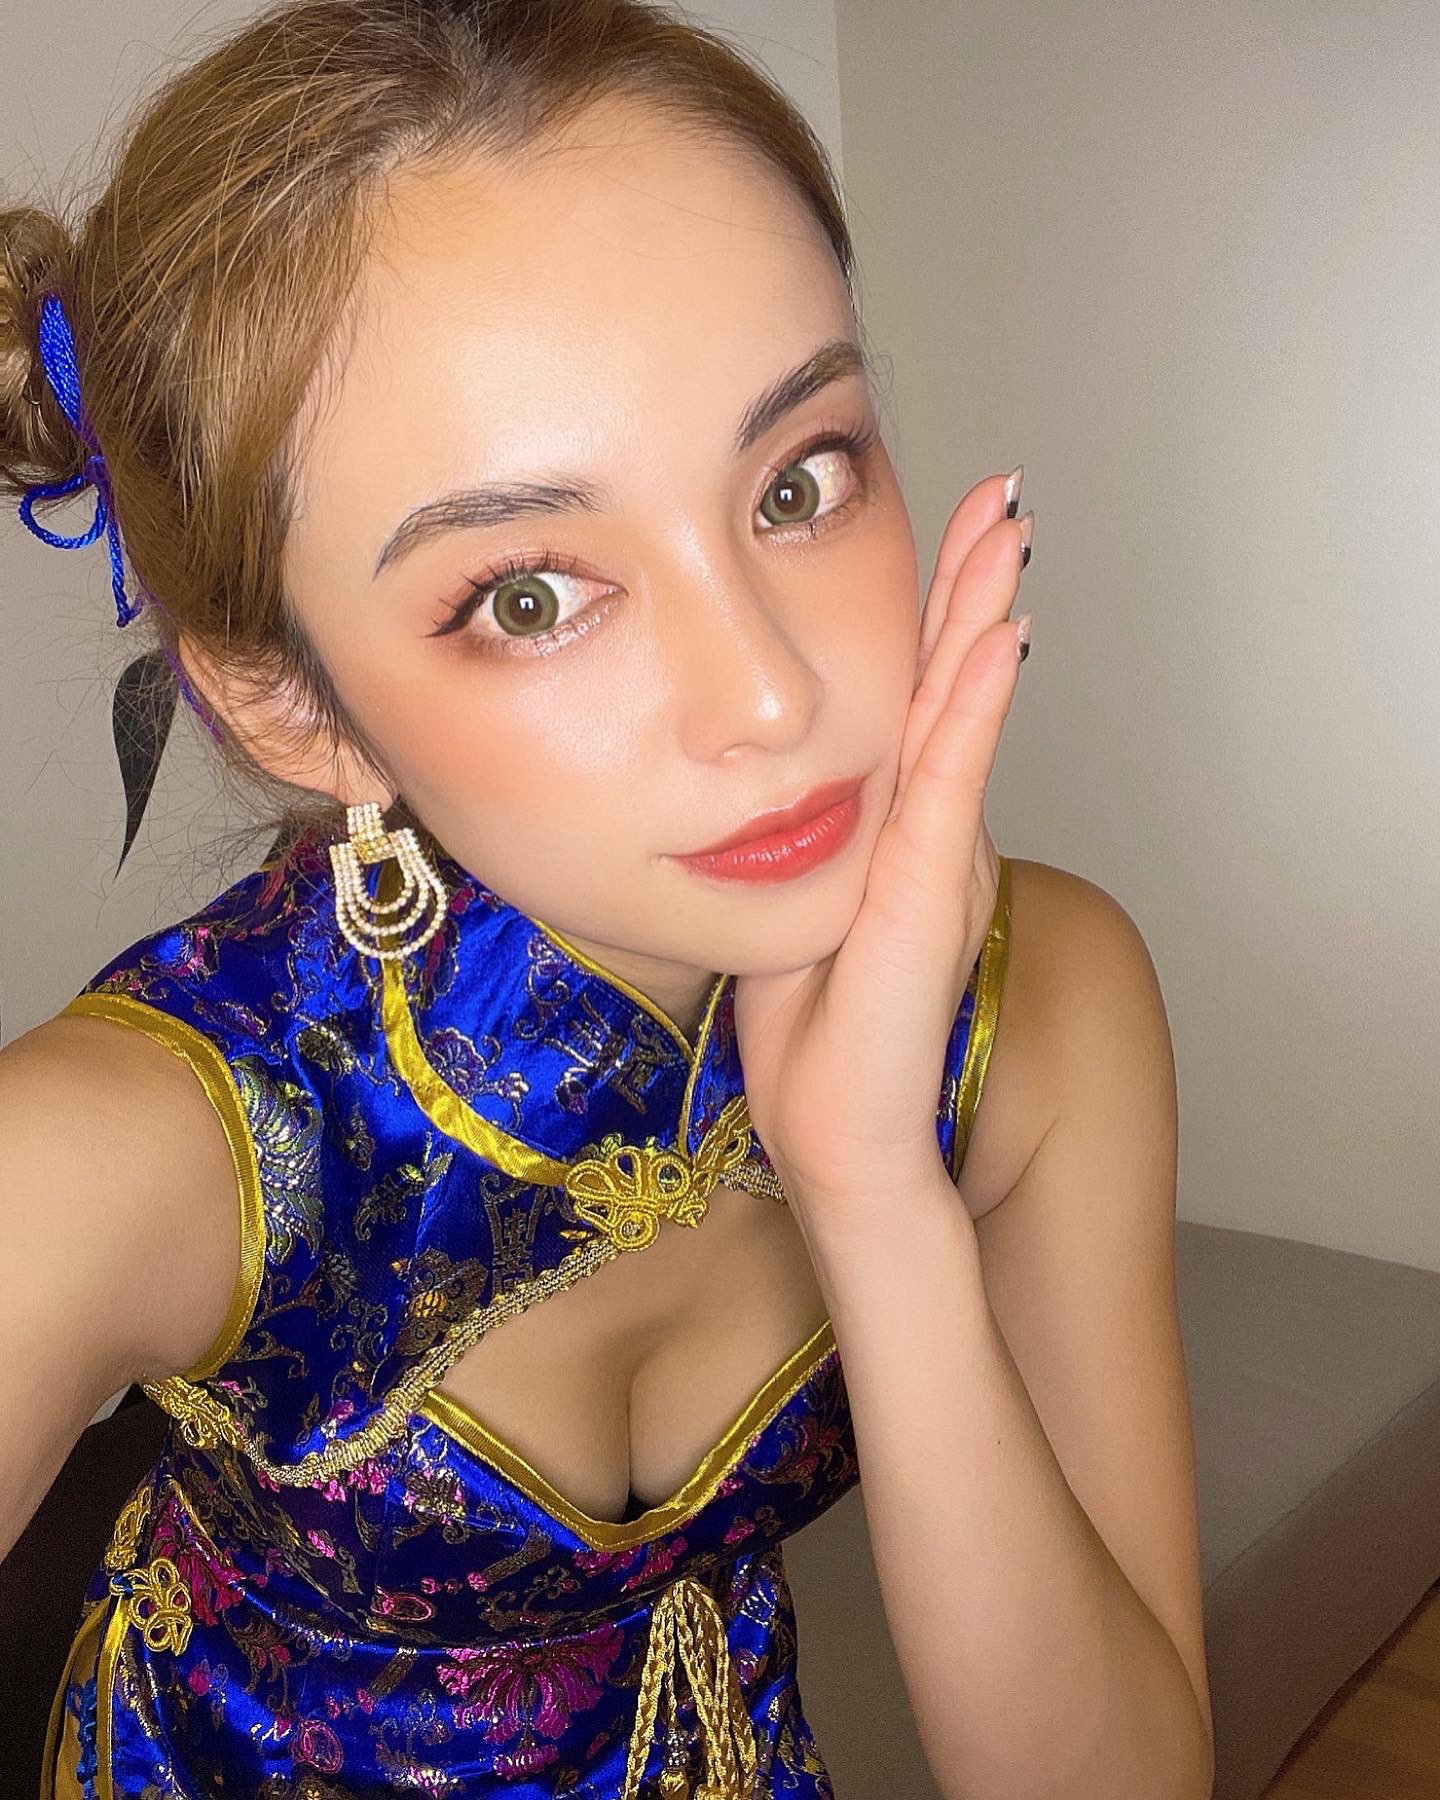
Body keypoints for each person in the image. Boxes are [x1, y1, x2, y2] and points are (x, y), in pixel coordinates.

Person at [0, 3, 1214, 1796]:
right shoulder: (146, 1138)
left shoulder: (1051, 1006)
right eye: (531, 596)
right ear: (290, 702)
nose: (772, 696)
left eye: (798, 481)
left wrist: (878, 1197)